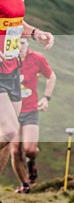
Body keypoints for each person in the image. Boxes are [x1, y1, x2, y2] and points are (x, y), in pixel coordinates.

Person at [0, 0, 54, 202]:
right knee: (9, 131)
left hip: (13, 69)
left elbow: (15, 24)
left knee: (7, 137)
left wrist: (35, 33)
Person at [10, 37, 56, 193]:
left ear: (27, 44)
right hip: (11, 112)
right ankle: (25, 184)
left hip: (30, 109)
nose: (20, 46)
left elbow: (51, 76)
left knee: (29, 149)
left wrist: (46, 98)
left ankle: (32, 161)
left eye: (23, 42)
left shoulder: (37, 58)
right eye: (17, 43)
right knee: (15, 150)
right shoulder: (6, 58)